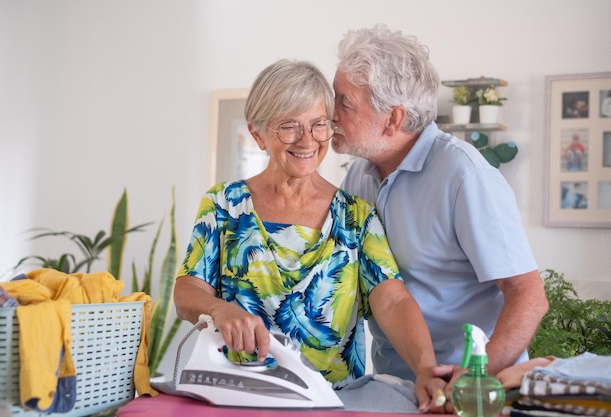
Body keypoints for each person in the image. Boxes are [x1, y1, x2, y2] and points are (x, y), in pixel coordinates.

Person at [173, 59, 447, 412]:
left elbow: (392, 300)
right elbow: (188, 290)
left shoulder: (355, 216)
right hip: (236, 397)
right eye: (289, 126)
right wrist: (218, 309)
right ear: (258, 134)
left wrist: (425, 368)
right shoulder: (223, 204)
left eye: (319, 125)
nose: (307, 140)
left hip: (334, 402)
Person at [331, 24, 549, 410]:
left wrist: (474, 376)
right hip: (395, 386)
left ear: (392, 119)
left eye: (345, 103)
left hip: (469, 391)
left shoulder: (465, 175)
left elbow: (528, 295)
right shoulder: (357, 176)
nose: (331, 115)